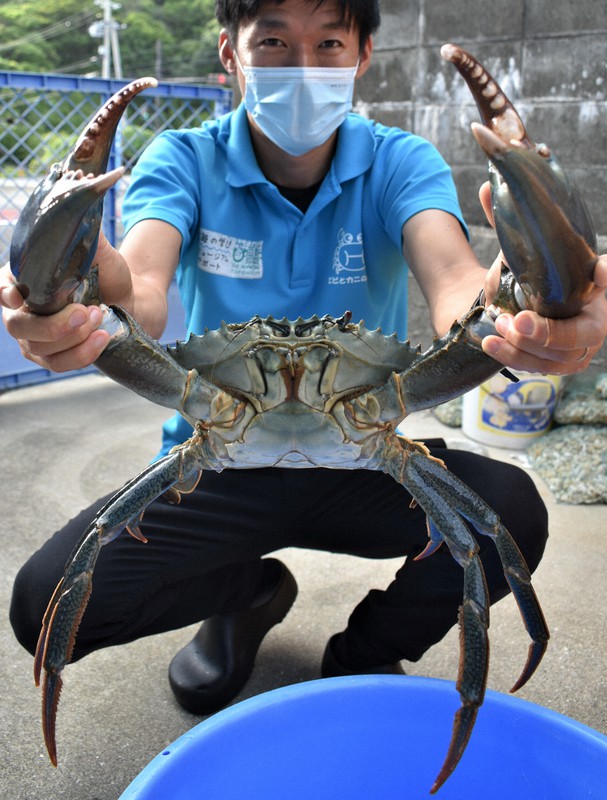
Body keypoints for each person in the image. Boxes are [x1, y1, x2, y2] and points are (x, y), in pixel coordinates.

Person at [3, 0, 607, 716]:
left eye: (327, 43)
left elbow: (456, 291)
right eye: (273, 41)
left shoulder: (396, 160)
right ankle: (248, 595)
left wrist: (531, 310)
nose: (302, 65)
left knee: (506, 518)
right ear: (230, 54)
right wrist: (70, 286)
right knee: (47, 604)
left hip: (366, 452)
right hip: (214, 458)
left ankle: (362, 653)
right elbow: (140, 295)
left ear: (362, 57)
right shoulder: (185, 160)